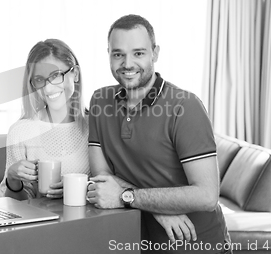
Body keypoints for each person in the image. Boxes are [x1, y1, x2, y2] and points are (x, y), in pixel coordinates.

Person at [86, 14, 231, 253]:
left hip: (197, 245)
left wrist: (126, 197)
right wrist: (156, 210)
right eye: (118, 54)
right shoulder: (100, 100)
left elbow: (206, 196)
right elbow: (103, 178)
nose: (127, 63)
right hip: (135, 241)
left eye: (139, 53)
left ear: (155, 53)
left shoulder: (185, 107)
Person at [0, 39, 90, 200]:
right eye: (40, 80)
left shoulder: (96, 127)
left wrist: (77, 188)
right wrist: (13, 179)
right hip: (42, 224)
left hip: (87, 222)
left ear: (75, 74)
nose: (48, 88)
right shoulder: (20, 131)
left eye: (55, 75)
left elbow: (108, 189)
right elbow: (15, 205)